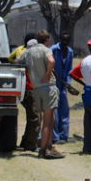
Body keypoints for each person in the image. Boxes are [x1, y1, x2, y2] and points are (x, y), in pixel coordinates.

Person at [20, 30, 62, 159]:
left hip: (36, 89)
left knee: (47, 118)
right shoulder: (46, 50)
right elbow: (51, 61)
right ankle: (44, 149)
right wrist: (48, 74)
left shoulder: (28, 52)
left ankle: (49, 145)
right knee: (48, 122)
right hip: (48, 87)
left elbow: (16, 61)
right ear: (47, 40)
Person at [10, 33, 40, 151]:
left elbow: (11, 60)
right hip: (31, 88)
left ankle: (26, 141)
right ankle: (30, 144)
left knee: (31, 117)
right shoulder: (32, 55)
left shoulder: (20, 52)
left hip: (23, 87)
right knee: (35, 118)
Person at [49, 33, 74, 143]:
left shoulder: (70, 52)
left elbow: (69, 70)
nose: (65, 44)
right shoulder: (53, 50)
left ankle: (63, 135)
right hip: (53, 84)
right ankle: (55, 137)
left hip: (63, 85)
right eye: (63, 41)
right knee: (55, 111)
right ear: (60, 40)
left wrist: (68, 83)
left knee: (64, 110)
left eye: (67, 42)